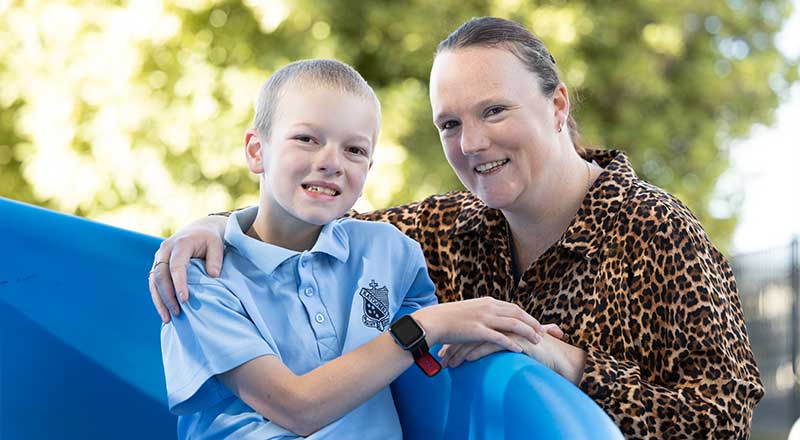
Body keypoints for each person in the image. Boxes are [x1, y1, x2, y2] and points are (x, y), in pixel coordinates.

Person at [150, 17, 764, 439]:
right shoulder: (440, 230)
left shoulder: (655, 233)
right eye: (449, 124)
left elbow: (723, 420)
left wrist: (566, 361)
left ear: (557, 106)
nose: (471, 143)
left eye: (494, 110)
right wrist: (211, 225)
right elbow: (306, 227)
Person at [159, 58, 557, 439]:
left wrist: (514, 338)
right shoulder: (200, 276)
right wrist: (427, 325)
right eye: (307, 139)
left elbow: (430, 361)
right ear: (256, 151)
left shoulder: (389, 252)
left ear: (369, 168)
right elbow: (296, 409)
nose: (331, 162)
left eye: (354, 150)